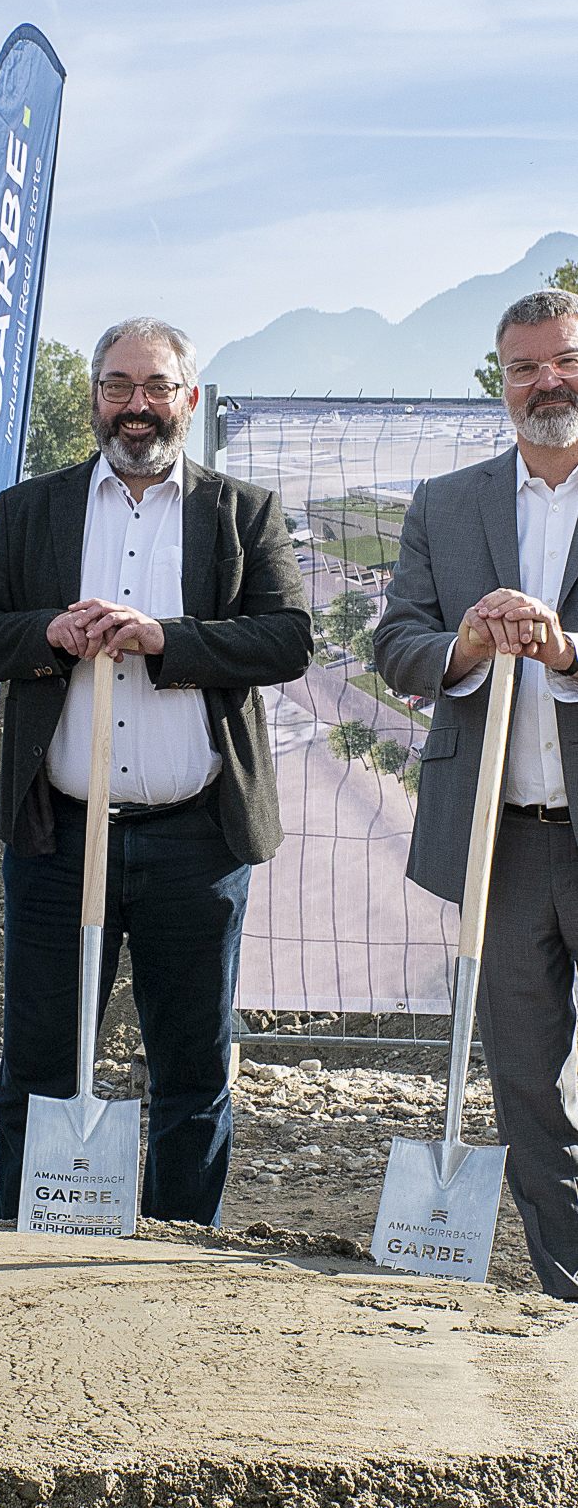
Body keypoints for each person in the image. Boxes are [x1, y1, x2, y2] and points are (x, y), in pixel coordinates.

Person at [0, 317, 311, 1225]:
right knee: (37, 1059)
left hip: (195, 835)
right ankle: (26, 1235)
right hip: (58, 834)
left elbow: (289, 639)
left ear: (188, 398)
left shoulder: (242, 512)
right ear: (95, 399)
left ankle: (178, 1244)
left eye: (155, 387)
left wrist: (164, 640)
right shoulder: (31, 511)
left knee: (191, 1064)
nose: (135, 406)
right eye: (117, 387)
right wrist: (49, 633)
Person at [375, 288, 578, 1301]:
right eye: (522, 367)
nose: (545, 381)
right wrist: (461, 640)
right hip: (498, 841)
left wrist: (564, 647)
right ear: (497, 382)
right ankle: (565, 1290)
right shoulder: (443, 504)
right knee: (526, 1079)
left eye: (562, 359)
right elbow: (393, 642)